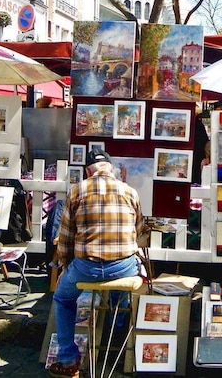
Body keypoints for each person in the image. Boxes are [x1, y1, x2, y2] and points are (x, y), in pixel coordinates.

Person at [50, 149, 145, 378]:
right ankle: (115, 339)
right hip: (123, 266)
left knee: (63, 298)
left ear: (87, 171)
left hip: (87, 267)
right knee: (119, 295)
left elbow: (65, 239)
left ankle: (67, 360)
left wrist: (64, 265)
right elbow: (139, 232)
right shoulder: (130, 192)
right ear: (110, 169)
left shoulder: (77, 191)